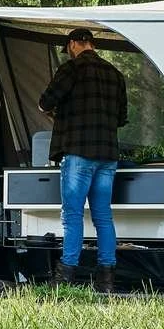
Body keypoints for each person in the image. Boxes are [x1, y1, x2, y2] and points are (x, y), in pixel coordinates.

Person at [38, 28, 128, 291]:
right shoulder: (115, 74)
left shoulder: (72, 69)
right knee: (103, 217)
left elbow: (45, 102)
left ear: (74, 44)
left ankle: (65, 276)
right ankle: (106, 280)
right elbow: (121, 119)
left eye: (70, 49)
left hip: (78, 152)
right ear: (92, 44)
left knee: (73, 216)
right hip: (107, 155)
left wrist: (57, 112)